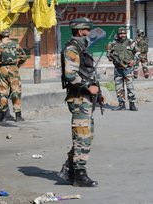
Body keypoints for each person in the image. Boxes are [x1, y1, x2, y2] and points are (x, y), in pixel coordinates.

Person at [58, 17, 100, 187]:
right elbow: (70, 75)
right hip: (79, 98)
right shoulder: (72, 48)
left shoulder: (81, 48)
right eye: (87, 29)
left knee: (85, 137)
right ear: (80, 30)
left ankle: (70, 170)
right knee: (82, 137)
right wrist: (88, 87)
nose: (89, 32)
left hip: (85, 98)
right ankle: (79, 175)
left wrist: (98, 91)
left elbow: (86, 72)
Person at [0, 29, 27, 122]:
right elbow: (24, 57)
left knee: (3, 93)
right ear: (8, 35)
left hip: (2, 69)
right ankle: (18, 116)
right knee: (16, 91)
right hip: (13, 69)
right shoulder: (15, 44)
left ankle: (3, 117)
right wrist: (17, 66)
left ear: (0, 35)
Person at [106, 27, 140, 111]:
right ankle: (121, 104)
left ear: (126, 34)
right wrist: (110, 57)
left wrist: (133, 60)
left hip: (128, 68)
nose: (122, 35)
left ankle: (132, 104)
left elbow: (138, 52)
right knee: (119, 87)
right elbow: (108, 53)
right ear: (118, 34)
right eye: (120, 34)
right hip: (118, 69)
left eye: (124, 33)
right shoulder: (113, 43)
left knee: (130, 87)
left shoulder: (130, 42)